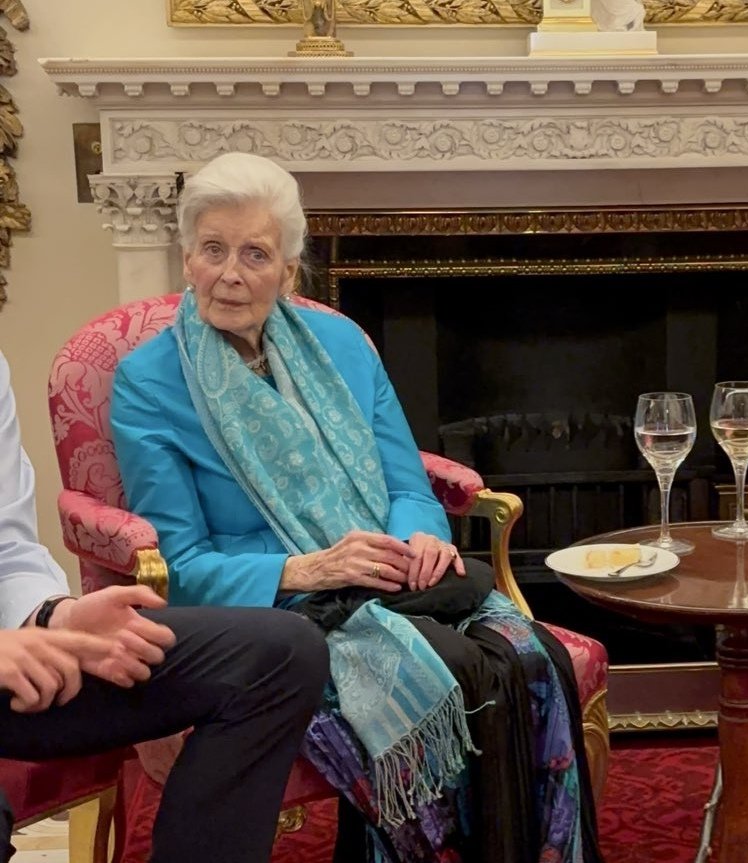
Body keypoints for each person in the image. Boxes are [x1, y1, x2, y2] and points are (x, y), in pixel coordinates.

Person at [110, 151, 604, 863]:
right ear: (186, 257)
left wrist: (422, 538)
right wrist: (307, 567)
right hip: (275, 615)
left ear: (288, 268)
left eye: (256, 253)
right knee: (431, 678)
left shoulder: (342, 344)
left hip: (389, 580)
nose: (231, 273)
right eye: (213, 249)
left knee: (530, 657)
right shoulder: (148, 383)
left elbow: (406, 483)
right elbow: (179, 565)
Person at [0, 349, 330, 863]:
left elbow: (8, 548)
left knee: (282, 652)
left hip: (19, 665)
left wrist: (56, 617)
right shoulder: (153, 375)